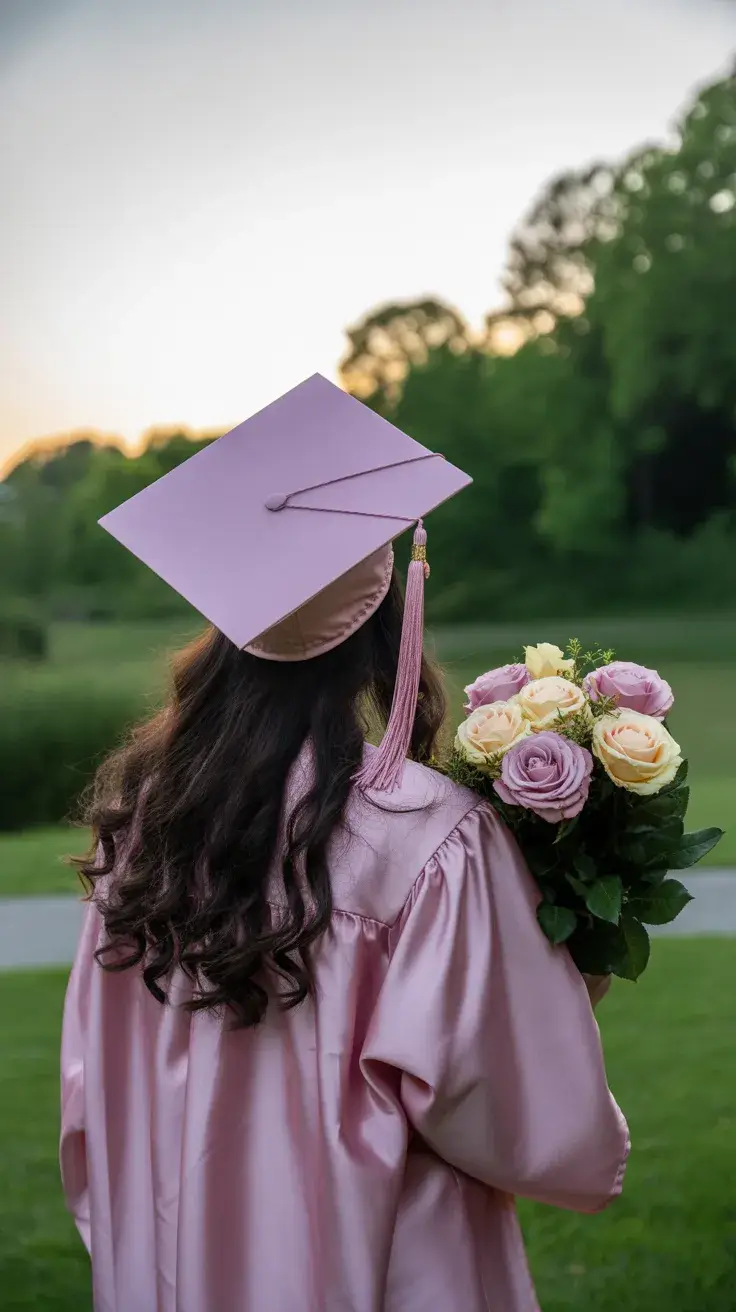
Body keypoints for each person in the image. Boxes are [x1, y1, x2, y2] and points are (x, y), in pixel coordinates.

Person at [60, 374, 629, 1312]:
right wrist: (570, 987)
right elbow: (508, 1105)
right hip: (381, 1266)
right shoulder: (424, 836)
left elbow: (93, 1102)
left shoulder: (144, 830)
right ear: (380, 620)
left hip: (175, 1261)